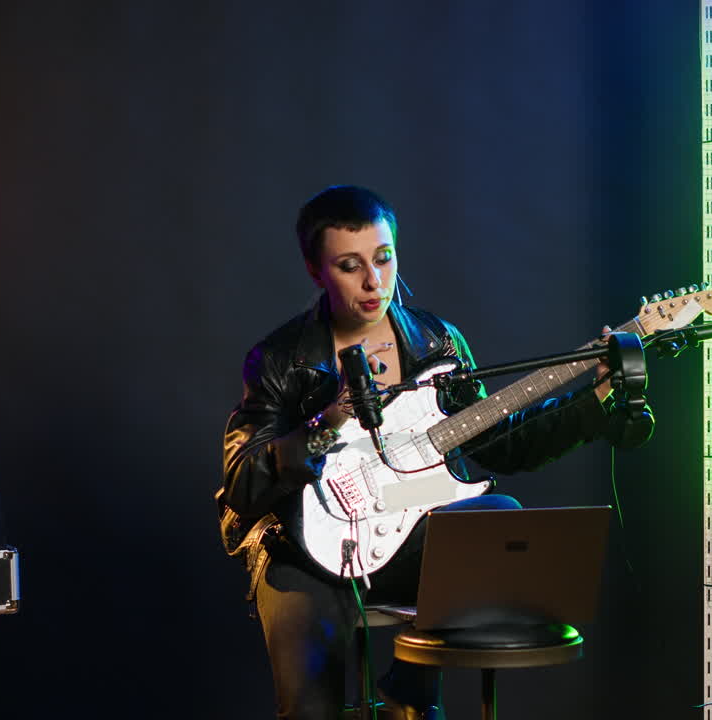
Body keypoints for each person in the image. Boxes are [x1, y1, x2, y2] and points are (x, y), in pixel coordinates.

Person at [219, 185, 615, 720]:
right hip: (304, 548)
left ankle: (408, 688)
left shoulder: (435, 342)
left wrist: (595, 399)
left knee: (498, 518)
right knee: (311, 710)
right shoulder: (278, 359)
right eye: (349, 265)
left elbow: (500, 442)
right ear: (317, 272)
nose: (373, 282)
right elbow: (243, 483)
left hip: (408, 529)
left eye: (384, 259)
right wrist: (326, 423)